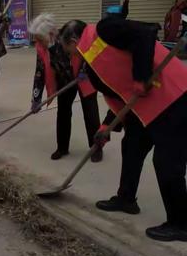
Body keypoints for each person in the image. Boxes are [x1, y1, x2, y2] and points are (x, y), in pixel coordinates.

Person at [60, 17, 187, 242]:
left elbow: (145, 34)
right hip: (146, 108)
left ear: (73, 40)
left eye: (69, 50)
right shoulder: (92, 66)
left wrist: (140, 76)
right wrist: (106, 127)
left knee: (166, 162)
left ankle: (181, 223)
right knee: (132, 146)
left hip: (174, 98)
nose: (72, 56)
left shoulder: (105, 29)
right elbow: (118, 99)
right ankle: (126, 199)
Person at [30, 13, 102, 162]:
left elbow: (90, 50)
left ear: (50, 34)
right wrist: (36, 98)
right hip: (64, 80)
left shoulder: (69, 35)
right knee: (63, 112)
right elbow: (40, 72)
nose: (37, 42)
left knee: (91, 112)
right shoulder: (41, 47)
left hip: (83, 78)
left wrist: (84, 69)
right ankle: (62, 147)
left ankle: (96, 147)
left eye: (39, 38)